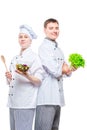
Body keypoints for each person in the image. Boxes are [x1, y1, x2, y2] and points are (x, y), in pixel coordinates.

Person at [34, 18, 76, 130]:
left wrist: (71, 68)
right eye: (51, 28)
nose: (54, 31)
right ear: (45, 30)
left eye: (57, 28)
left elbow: (65, 70)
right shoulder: (43, 48)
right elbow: (54, 69)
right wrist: (64, 69)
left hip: (57, 98)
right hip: (46, 97)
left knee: (54, 128)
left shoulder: (59, 50)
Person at [5, 24, 44, 130]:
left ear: (30, 40)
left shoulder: (34, 57)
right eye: (20, 37)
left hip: (25, 104)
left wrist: (26, 75)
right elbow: (12, 81)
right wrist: (9, 77)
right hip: (13, 103)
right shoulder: (15, 58)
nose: (22, 39)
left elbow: (38, 81)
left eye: (25, 37)